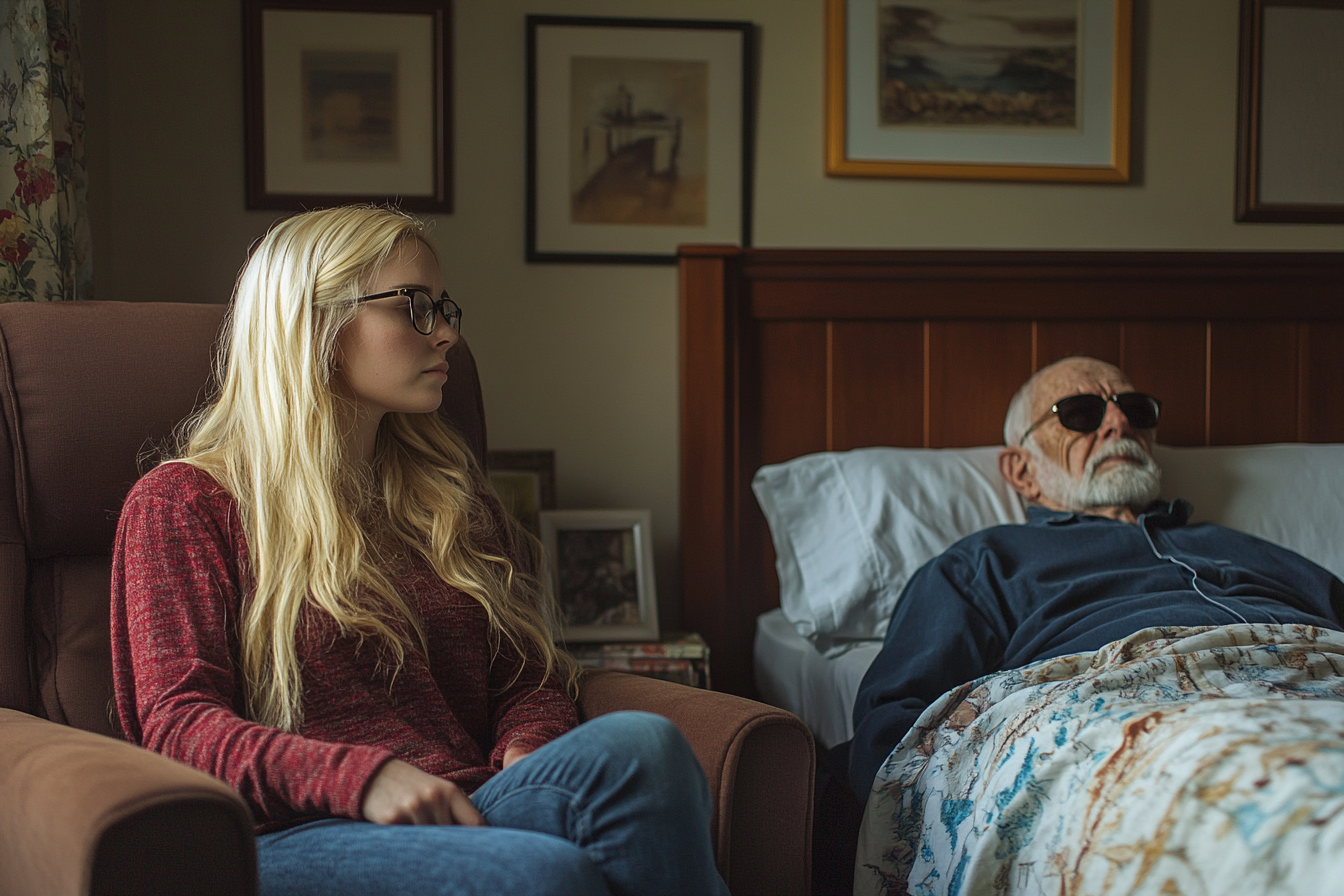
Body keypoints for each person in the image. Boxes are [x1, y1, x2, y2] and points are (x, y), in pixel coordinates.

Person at [110, 205, 729, 896]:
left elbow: (525, 678)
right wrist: (360, 779)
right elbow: (177, 725)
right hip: (294, 831)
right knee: (546, 872)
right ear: (315, 324)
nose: (449, 335)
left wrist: (531, 746)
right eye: (415, 308)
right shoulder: (185, 505)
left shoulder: (448, 499)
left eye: (444, 308)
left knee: (646, 747)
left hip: (467, 803)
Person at [847, 355, 1344, 803]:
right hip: (1140, 720)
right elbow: (893, 726)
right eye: (1082, 413)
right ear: (1022, 472)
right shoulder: (985, 561)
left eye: (1135, 409)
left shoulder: (1240, 546)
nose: (1119, 422)